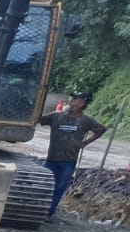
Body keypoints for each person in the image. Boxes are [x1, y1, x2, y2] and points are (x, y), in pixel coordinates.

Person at [39, 92, 108, 222]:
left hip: (69, 160)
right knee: (44, 184)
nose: (73, 103)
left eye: (77, 101)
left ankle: (49, 212)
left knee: (60, 186)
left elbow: (101, 129)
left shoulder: (85, 120)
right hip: (52, 158)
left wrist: (85, 143)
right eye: (73, 100)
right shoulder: (56, 117)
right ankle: (38, 209)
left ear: (83, 105)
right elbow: (38, 119)